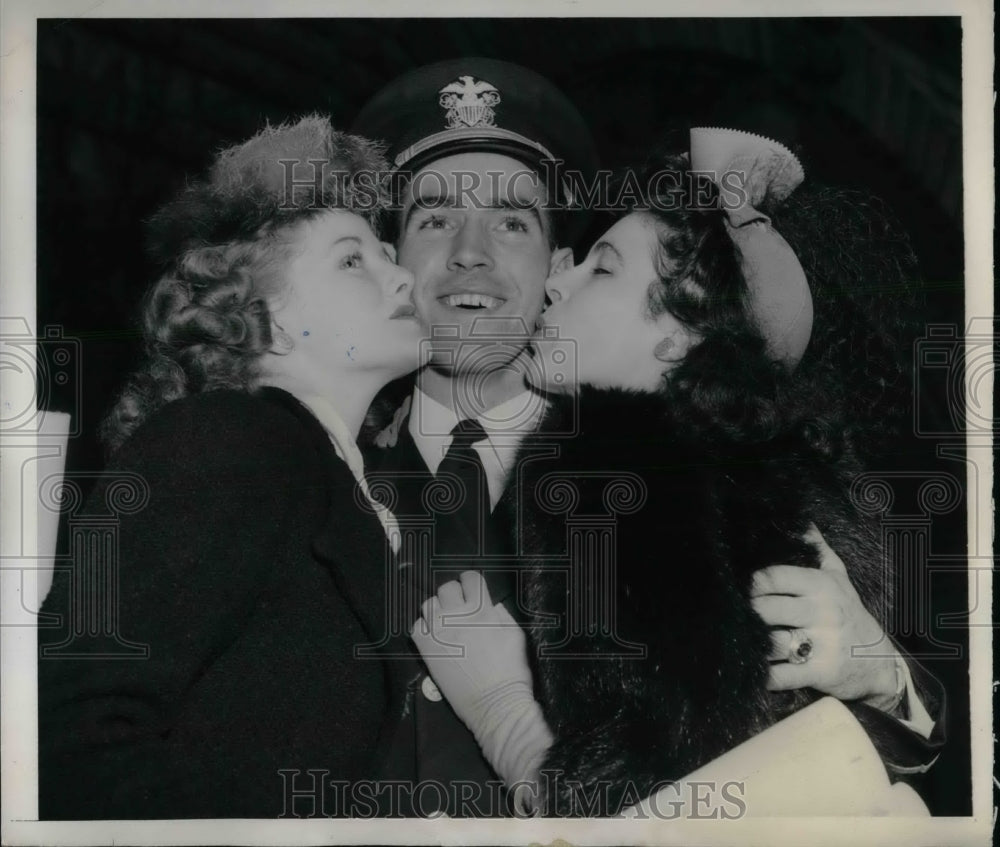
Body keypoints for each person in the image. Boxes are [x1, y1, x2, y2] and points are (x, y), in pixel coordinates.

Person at [356, 62, 945, 817]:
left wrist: (887, 679)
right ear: (390, 264)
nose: (470, 251)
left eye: (512, 222)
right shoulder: (319, 474)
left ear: (556, 266)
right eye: (434, 219)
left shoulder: (689, 477)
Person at [37, 115, 425, 818]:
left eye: (388, 254)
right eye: (353, 261)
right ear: (260, 312)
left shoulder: (330, 475)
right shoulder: (228, 441)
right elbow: (66, 733)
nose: (402, 277)